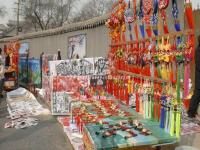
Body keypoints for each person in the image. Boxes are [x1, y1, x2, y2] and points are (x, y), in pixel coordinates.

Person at [188, 35, 200, 119]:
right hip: (199, 76)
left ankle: (192, 111)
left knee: (197, 94)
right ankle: (191, 111)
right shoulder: (198, 50)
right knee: (197, 94)